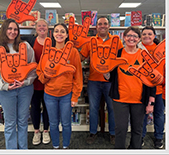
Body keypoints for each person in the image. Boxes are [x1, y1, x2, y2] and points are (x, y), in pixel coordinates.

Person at [110, 26, 156, 149]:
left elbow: (152, 78)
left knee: (138, 129)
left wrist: (151, 101)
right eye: (129, 35)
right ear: (124, 37)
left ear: (139, 39)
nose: (131, 38)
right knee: (120, 128)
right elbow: (110, 77)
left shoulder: (144, 55)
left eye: (135, 36)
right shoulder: (117, 54)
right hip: (120, 99)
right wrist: (104, 71)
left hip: (139, 100)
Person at [39, 23, 82, 149]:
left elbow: (78, 75)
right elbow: (40, 73)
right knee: (53, 124)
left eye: (62, 31)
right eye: (57, 31)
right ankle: (56, 147)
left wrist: (75, 97)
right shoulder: (47, 51)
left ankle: (66, 147)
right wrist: (46, 76)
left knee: (66, 123)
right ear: (52, 34)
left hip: (66, 95)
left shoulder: (73, 52)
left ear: (67, 35)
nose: (59, 34)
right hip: (50, 95)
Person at [79, 16, 121, 144]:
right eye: (100, 24)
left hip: (110, 81)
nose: (102, 26)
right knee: (93, 108)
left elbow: (120, 58)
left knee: (112, 108)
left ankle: (113, 133)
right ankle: (93, 132)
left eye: (105, 23)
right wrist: (74, 47)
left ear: (109, 26)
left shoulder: (116, 40)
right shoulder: (91, 41)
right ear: (96, 27)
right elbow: (81, 57)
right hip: (94, 80)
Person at [0, 19, 37, 149]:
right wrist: (5, 86)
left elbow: (33, 68)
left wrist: (25, 82)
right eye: (10, 29)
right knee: (9, 123)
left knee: (22, 121)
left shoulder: (25, 46)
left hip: (25, 89)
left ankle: (23, 148)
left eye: (15, 29)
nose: (13, 32)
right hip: (6, 91)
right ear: (4, 30)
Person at [140, 26, 165, 149]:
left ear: (154, 36)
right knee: (142, 114)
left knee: (159, 114)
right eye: (144, 34)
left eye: (150, 34)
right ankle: (141, 137)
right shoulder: (137, 49)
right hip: (142, 89)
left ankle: (159, 138)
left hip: (158, 89)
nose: (147, 36)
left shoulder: (160, 50)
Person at [28, 18, 51, 145]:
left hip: (49, 81)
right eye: (39, 26)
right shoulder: (31, 41)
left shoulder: (52, 42)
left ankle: (46, 130)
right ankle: (36, 131)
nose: (42, 28)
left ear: (48, 28)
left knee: (48, 106)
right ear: (36, 28)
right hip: (34, 80)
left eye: (44, 26)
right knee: (35, 106)